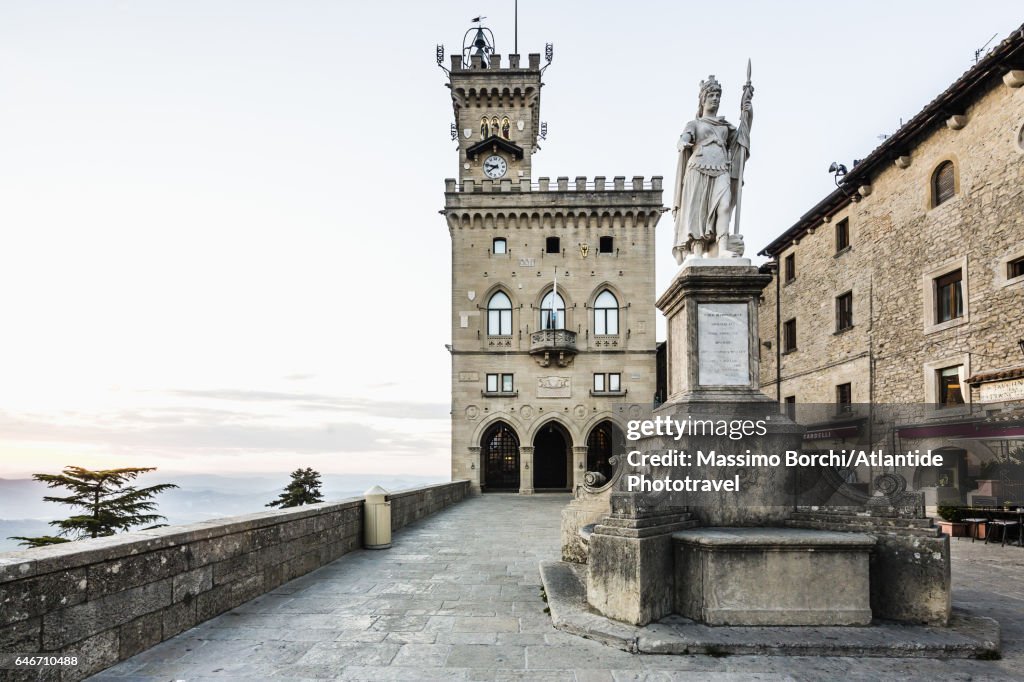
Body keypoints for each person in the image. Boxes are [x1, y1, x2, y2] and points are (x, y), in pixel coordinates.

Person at [672, 75, 753, 263]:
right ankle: (698, 250)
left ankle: (723, 248)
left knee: (724, 205)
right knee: (698, 212)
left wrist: (748, 114)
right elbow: (684, 137)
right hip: (698, 168)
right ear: (703, 99)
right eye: (711, 96)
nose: (715, 99)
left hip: (721, 168)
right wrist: (682, 143)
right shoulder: (695, 124)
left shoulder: (724, 126)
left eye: (718, 96)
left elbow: (740, 141)